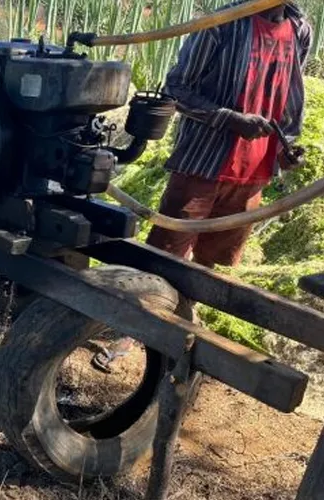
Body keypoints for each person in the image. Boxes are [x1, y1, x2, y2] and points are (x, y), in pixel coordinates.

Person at [92, 1, 311, 374]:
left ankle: (183, 320)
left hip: (253, 169)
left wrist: (287, 147)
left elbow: (287, 94)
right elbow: (177, 86)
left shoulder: (299, 28)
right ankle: (131, 329)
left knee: (211, 260)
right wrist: (229, 120)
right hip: (204, 161)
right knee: (167, 250)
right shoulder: (221, 23)